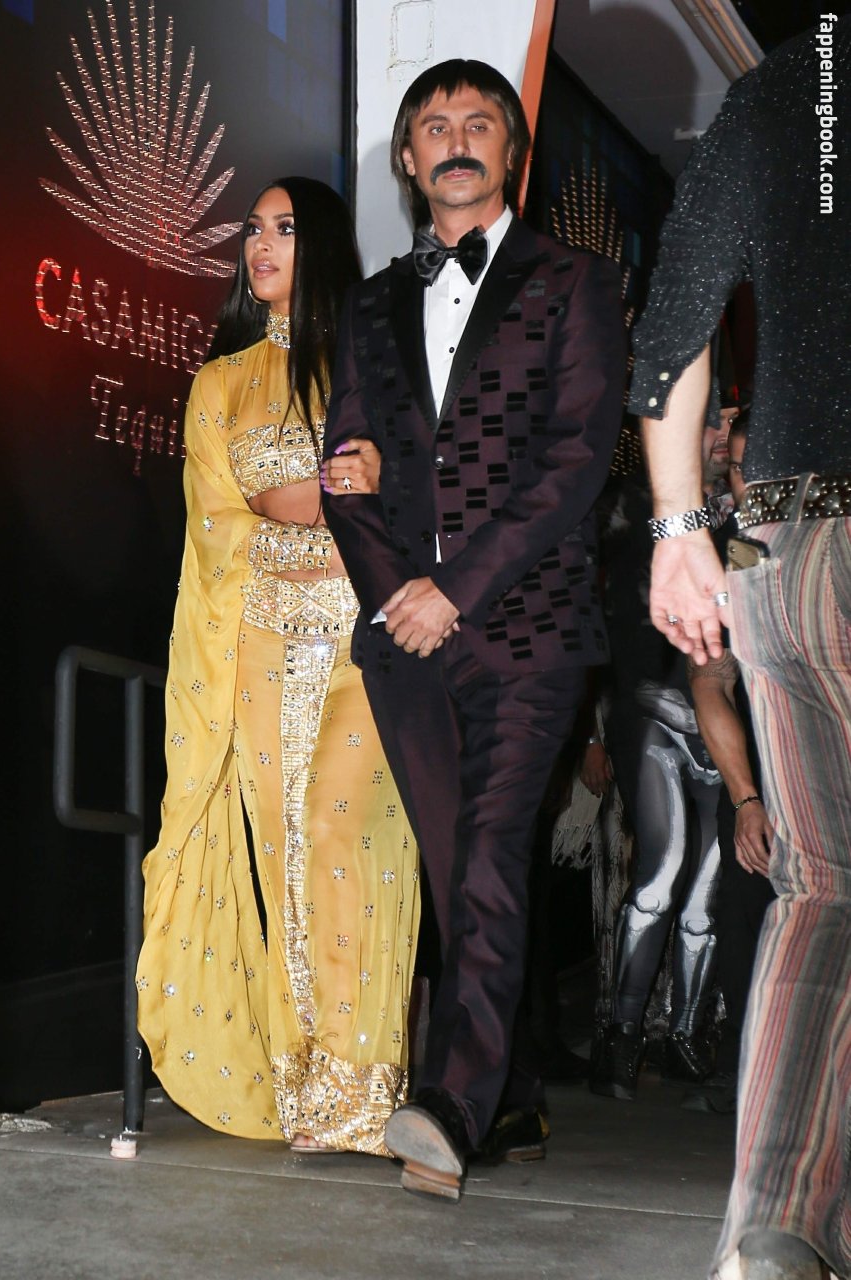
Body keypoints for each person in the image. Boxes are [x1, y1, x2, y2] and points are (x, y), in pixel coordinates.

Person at [322, 59, 627, 1199]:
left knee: (493, 848)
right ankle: (511, 1088)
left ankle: (448, 1103)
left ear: (511, 152)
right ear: (409, 159)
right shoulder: (365, 305)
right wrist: (398, 590)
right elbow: (345, 467)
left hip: (528, 624)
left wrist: (456, 585)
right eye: (435, 125)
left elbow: (574, 461)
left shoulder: (576, 281)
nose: (456, 139)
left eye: (478, 123)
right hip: (406, 634)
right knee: (459, 869)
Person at [630, 17, 850, 1280]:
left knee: (820, 892)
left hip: (789, 556)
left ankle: (775, 1230)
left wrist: (677, 531)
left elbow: (674, 323)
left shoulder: (781, 94)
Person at [137, 177, 420, 1156]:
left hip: (362, 640)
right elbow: (217, 521)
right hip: (260, 641)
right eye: (252, 229)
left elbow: (404, 493)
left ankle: (362, 1088)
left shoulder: (377, 364)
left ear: (323, 243)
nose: (260, 245)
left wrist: (330, 501)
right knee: (283, 855)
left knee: (345, 831)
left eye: (285, 228)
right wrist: (314, 506)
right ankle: (304, 1085)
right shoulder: (220, 383)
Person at [589, 408, 730, 1103]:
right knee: (662, 871)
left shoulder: (748, 506)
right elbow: (603, 613)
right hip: (653, 711)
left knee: (708, 891)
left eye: (728, 422)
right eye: (709, 420)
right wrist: (595, 729)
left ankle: (686, 1033)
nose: (719, 435)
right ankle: (620, 1037)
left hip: (728, 725)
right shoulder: (632, 504)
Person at [684, 417, 776, 1116]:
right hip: (760, 776)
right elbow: (710, 683)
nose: (750, 482)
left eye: (762, 464)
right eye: (740, 467)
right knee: (747, 926)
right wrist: (746, 799)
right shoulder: (737, 556)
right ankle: (757, 1089)